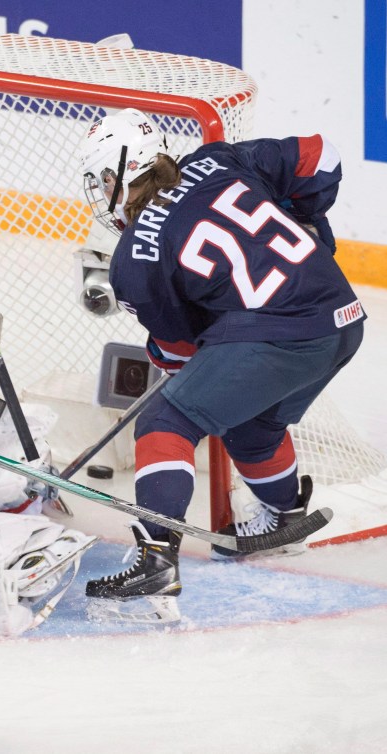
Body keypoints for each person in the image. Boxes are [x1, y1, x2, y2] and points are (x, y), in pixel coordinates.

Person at [77, 108, 364, 624]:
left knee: (167, 421)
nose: (102, 192)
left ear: (121, 173)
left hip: (279, 330)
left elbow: (182, 355)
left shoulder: (134, 257)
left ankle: (156, 558)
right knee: (252, 420)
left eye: (102, 181)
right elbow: (323, 157)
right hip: (341, 318)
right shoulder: (218, 159)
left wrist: (180, 359)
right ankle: (283, 516)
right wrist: (308, 221)